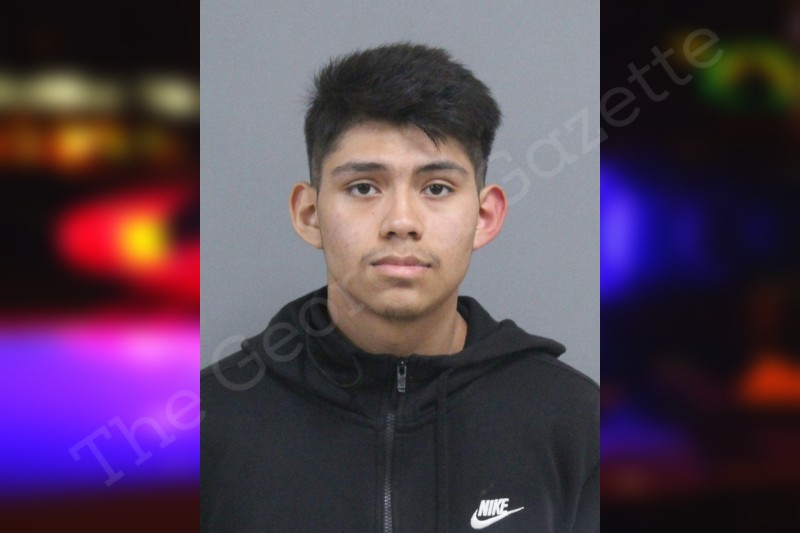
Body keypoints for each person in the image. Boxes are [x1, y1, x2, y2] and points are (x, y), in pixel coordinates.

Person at [201, 42, 598, 533]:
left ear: (484, 216)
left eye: (437, 188)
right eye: (364, 187)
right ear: (309, 214)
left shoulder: (576, 422)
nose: (401, 221)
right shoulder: (207, 425)